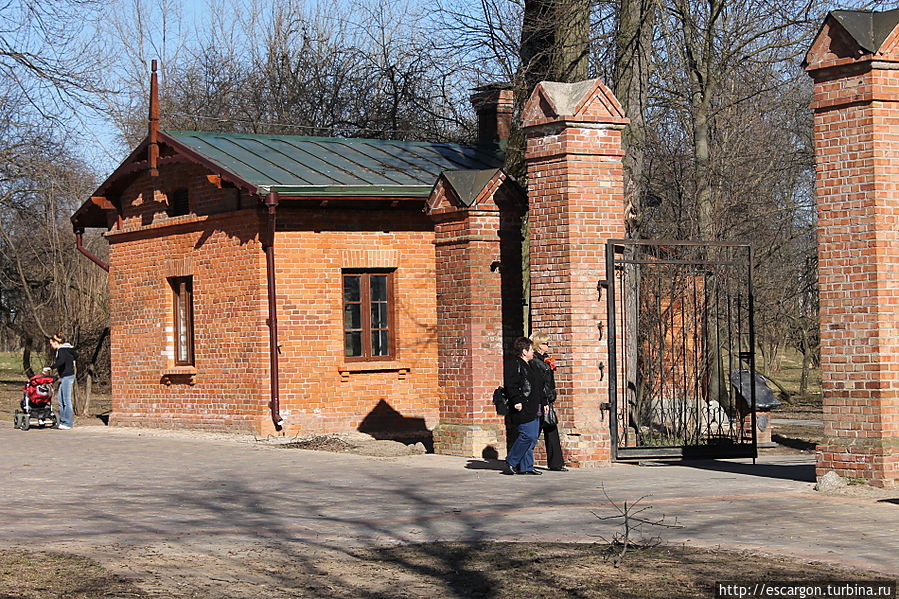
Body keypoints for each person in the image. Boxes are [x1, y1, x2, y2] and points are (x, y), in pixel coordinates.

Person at [503, 336, 545, 475]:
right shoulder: (514, 364)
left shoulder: (531, 365)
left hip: (534, 405)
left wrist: (543, 402)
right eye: (531, 349)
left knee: (532, 437)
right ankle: (511, 460)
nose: (533, 352)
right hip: (523, 406)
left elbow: (538, 386)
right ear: (524, 351)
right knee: (527, 435)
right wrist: (516, 400)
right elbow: (511, 384)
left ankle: (526, 466)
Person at [530, 331, 568, 471]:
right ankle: (521, 461)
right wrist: (545, 398)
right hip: (541, 399)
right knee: (533, 431)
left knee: (551, 427)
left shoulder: (545, 359)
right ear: (538, 345)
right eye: (545, 343)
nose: (547, 346)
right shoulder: (535, 361)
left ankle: (556, 463)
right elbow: (540, 382)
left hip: (547, 397)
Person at [43, 333, 76, 430]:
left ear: (56, 342)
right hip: (65, 376)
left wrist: (50, 367)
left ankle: (67, 423)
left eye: (51, 343)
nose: (51, 345)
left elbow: (61, 361)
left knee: (66, 400)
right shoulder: (68, 349)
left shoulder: (62, 350)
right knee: (60, 400)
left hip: (67, 377)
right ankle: (62, 421)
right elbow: (75, 356)